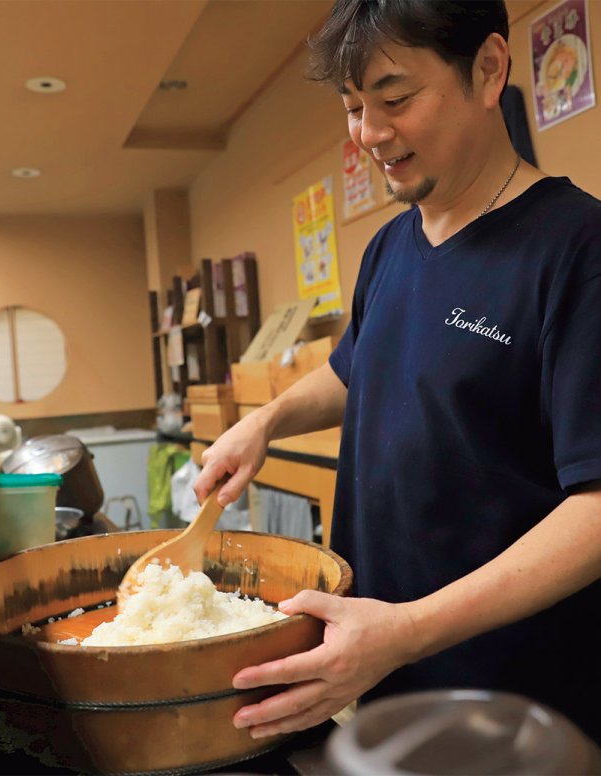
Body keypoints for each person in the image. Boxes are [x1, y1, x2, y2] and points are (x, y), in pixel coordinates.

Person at [193, 0, 601, 744]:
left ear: (487, 70)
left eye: (394, 99)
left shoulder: (577, 249)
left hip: (518, 710)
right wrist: (265, 421)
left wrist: (408, 630)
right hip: (386, 684)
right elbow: (357, 370)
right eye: (353, 108)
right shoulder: (390, 247)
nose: (368, 135)